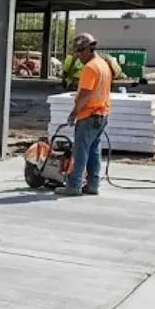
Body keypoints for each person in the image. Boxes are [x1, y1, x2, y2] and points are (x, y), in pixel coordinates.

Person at [57, 32, 111, 197]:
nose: (78, 55)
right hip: (102, 115)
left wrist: (74, 112)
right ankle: (93, 185)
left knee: (80, 151)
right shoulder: (103, 65)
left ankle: (74, 185)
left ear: (88, 48)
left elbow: (86, 93)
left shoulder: (90, 68)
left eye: (80, 51)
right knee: (94, 150)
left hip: (88, 115)